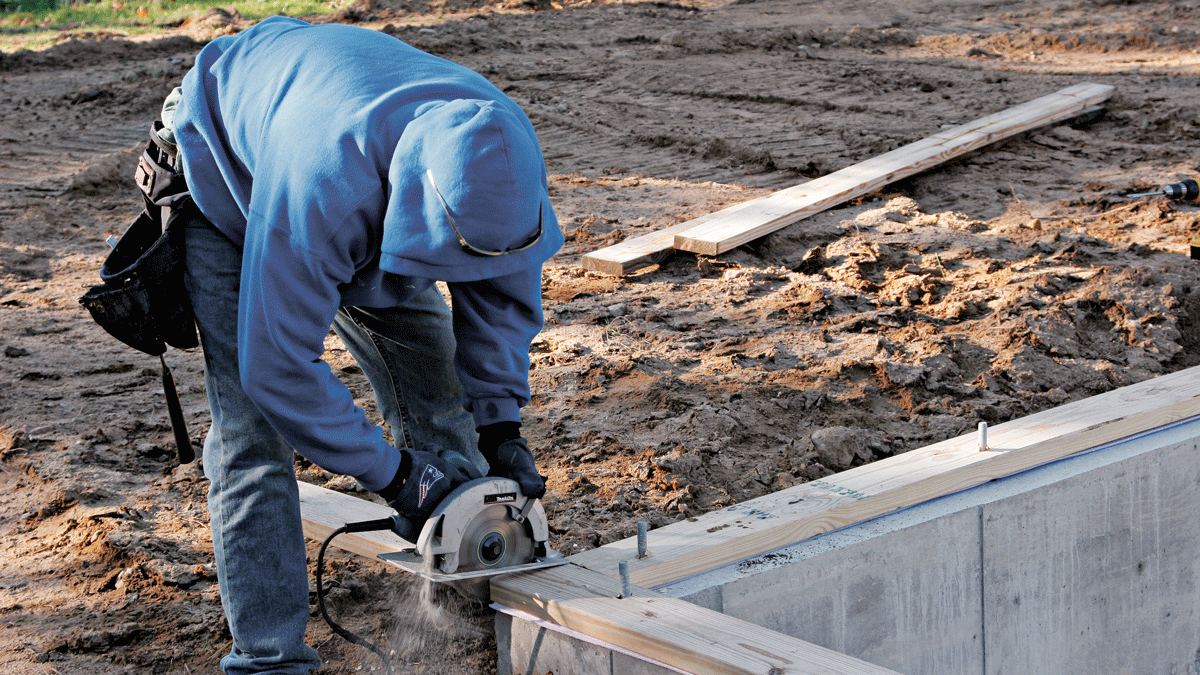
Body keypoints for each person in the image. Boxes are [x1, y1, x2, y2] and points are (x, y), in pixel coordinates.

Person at [165, 15, 563, 674]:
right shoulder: (323, 191)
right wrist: (397, 476)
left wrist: (501, 427)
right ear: (419, 212)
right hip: (227, 178)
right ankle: (268, 657)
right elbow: (279, 368)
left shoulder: (502, 163)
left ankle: (468, 579)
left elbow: (499, 298)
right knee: (252, 431)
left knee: (439, 390)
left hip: (355, 164)